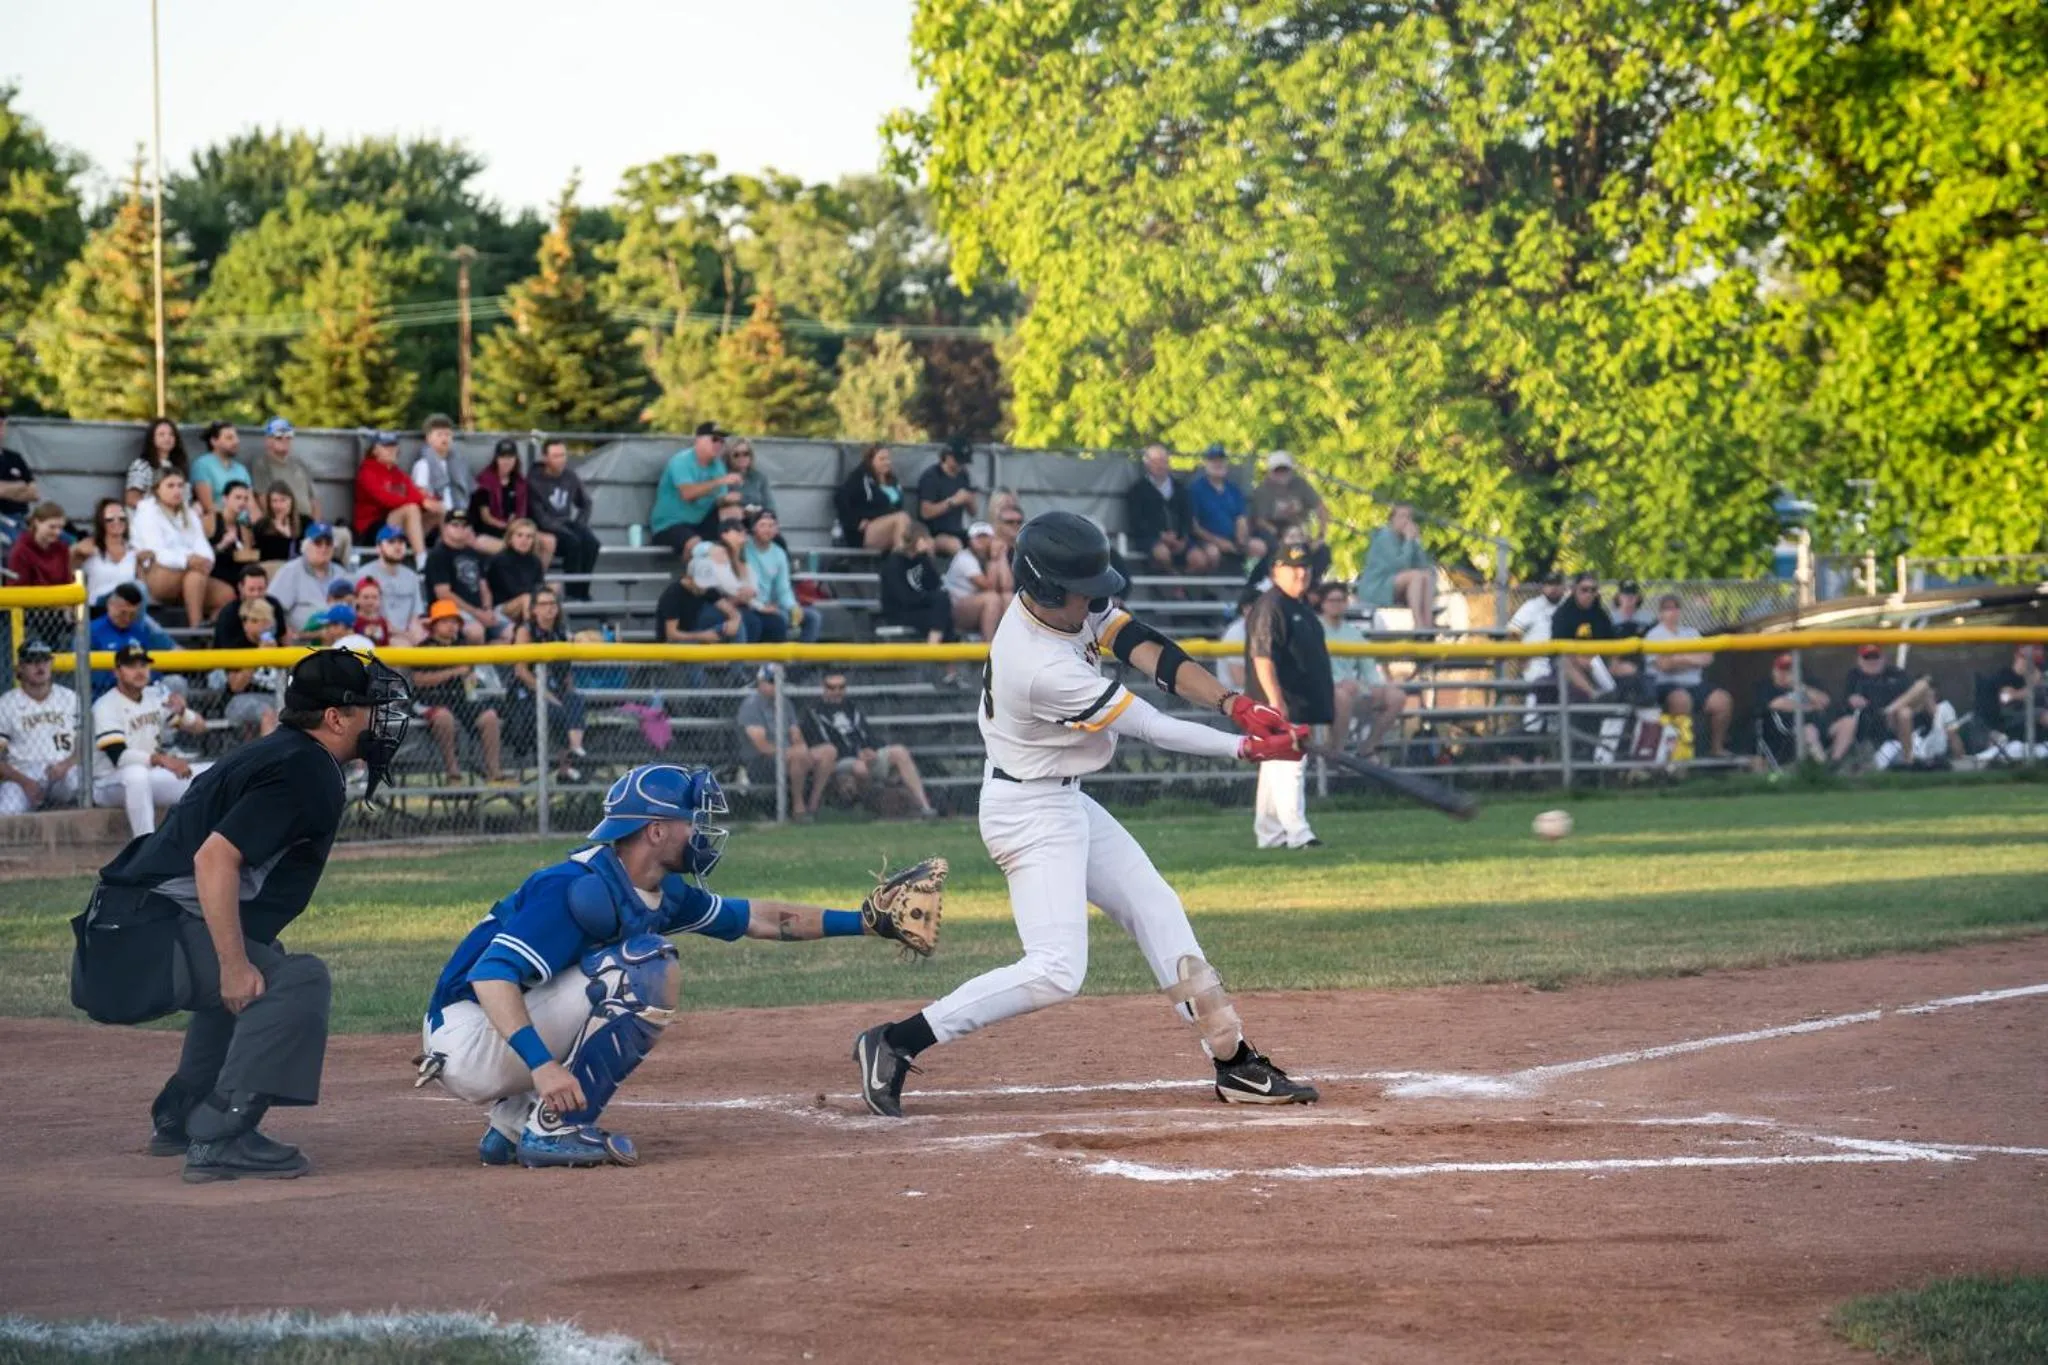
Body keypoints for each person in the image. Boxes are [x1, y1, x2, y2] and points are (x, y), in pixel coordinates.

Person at [851, 511, 1317, 1117]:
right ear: (1045, 590)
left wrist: (1235, 704)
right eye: (1084, 592)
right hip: (1027, 812)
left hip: (1063, 798)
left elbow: (1145, 646)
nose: (1096, 602)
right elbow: (1148, 724)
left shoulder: (1064, 607)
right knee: (1056, 971)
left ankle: (1234, 1063)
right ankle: (894, 1041)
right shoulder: (1039, 666)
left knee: (1158, 908)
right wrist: (1245, 747)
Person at [417, 762, 917, 1167]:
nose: (700, 831)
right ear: (656, 831)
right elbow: (490, 975)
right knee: (644, 968)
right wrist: (544, 1067)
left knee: (622, 967)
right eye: (689, 820)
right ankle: (555, 1128)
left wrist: (868, 922)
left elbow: (758, 918)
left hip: (488, 1034)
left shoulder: (654, 889)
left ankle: (509, 1125)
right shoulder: (575, 887)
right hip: (469, 1039)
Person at [75, 648, 410, 1182]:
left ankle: (182, 1113)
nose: (382, 719)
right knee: (296, 980)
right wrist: (231, 964)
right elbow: (215, 858)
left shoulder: (282, 752)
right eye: (371, 706)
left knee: (258, 962)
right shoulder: (306, 769)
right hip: (141, 938)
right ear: (335, 717)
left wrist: (240, 960)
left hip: (124, 930)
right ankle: (222, 1134)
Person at [1243, 544, 1332, 849]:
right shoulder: (1271, 605)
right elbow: (1262, 657)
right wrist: (1275, 701)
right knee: (1291, 764)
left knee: (1275, 766)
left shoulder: (1297, 605)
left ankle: (1269, 833)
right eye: (1293, 567)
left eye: (1305, 567)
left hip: (1293, 700)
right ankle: (1298, 833)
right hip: (1280, 702)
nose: (1301, 572)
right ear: (1275, 571)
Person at [91, 642, 211, 837]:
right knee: (136, 774)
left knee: (212, 772)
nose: (139, 671)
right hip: (109, 783)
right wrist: (163, 760)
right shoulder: (106, 705)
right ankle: (145, 847)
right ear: (117, 672)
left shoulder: (153, 696)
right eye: (131, 666)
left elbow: (200, 727)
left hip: (151, 776)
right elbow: (119, 757)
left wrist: (183, 711)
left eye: (143, 665)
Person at [797, 672, 938, 820]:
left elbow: (867, 734)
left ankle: (925, 806)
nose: (837, 692)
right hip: (839, 761)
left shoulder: (852, 708)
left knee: (900, 752)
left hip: (863, 756)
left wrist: (872, 750)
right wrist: (857, 753)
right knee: (860, 768)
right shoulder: (813, 712)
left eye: (841, 687)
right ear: (824, 688)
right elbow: (821, 744)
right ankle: (868, 808)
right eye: (832, 688)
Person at [412, 599, 511, 785]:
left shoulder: (463, 644)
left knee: (489, 716)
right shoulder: (423, 648)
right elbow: (419, 681)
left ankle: (494, 771)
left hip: (461, 699)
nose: (451, 626)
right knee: (444, 717)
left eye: (454, 621)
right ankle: (453, 773)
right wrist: (452, 672)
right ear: (434, 625)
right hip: (431, 700)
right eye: (445, 621)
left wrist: (470, 677)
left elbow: (470, 674)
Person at [132, 470, 233, 626]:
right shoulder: (147, 513)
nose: (177, 490)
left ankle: (211, 636)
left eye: (180, 486)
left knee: (227, 595)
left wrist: (205, 561)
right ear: (157, 489)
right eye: (170, 486)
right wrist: (188, 560)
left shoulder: (189, 513)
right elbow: (157, 552)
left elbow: (201, 544)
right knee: (195, 575)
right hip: (156, 573)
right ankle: (196, 627)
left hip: (190, 574)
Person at [507, 588, 586, 782]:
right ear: (534, 609)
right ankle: (565, 766)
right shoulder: (526, 631)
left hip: (556, 689)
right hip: (528, 693)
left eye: (553, 604)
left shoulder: (560, 633)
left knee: (575, 700)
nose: (550, 608)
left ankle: (575, 749)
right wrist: (548, 695)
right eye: (543, 604)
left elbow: (566, 672)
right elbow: (521, 672)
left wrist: (566, 693)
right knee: (558, 710)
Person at [1318, 582, 1404, 754]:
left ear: (1347, 603)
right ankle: (1336, 753)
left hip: (1352, 689)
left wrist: (1376, 685)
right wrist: (1337, 683)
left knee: (1397, 696)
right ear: (1323, 604)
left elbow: (1368, 667)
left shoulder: (1353, 633)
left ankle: (1368, 747)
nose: (1336, 604)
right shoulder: (1312, 629)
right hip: (1321, 691)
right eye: (1331, 600)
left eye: (1341, 600)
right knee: (1341, 696)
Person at [1642, 594, 1733, 757]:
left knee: (1722, 701)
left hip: (1695, 684)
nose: (1672, 612)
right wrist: (1691, 658)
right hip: (1666, 686)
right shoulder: (1654, 635)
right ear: (1660, 613)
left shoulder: (1691, 632)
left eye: (1676, 607)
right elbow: (1664, 666)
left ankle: (1716, 748)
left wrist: (1678, 658)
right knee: (1681, 699)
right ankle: (1679, 754)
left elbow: (1707, 658)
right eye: (1668, 608)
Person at [0, 641, 83, 814]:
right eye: (32, 661)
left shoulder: (70, 698)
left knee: (81, 782)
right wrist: (25, 782)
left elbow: (85, 744)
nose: (40, 666)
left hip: (63, 769)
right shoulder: (6, 704)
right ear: (20, 668)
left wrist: (67, 764)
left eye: (44, 660)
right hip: (23, 773)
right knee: (7, 809)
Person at [255, 417, 347, 560]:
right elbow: (263, 499)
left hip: (308, 521)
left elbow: (314, 499)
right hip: (288, 521)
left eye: (288, 437)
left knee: (344, 536)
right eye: (279, 437)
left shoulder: (299, 464)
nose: (285, 440)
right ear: (268, 440)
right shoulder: (262, 465)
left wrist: (316, 526)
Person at [1126, 443, 1215, 575]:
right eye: (1155, 461)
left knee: (1200, 560)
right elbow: (1136, 521)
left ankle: (1182, 583)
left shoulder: (1180, 489)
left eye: (1163, 461)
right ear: (1147, 464)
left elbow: (1187, 517)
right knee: (1162, 555)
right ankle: (1174, 582)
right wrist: (1161, 535)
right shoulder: (1137, 491)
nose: (1160, 465)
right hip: (1150, 538)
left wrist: (1182, 537)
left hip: (1179, 538)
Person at [735, 667, 815, 814]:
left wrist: (801, 748)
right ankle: (799, 807)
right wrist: (790, 752)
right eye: (772, 681)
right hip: (760, 762)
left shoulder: (785, 703)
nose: (776, 685)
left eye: (779, 681)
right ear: (760, 682)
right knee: (798, 757)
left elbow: (796, 734)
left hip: (789, 756)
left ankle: (814, 805)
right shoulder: (751, 705)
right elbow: (762, 746)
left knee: (827, 752)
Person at [877, 521, 955, 670]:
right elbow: (901, 597)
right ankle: (942, 663)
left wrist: (928, 557)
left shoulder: (922, 559)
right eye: (926, 539)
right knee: (941, 610)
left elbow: (934, 584)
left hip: (918, 607)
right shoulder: (894, 563)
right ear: (917, 540)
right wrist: (927, 599)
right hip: (899, 611)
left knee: (943, 606)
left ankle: (940, 657)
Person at [528, 438, 598, 600]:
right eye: (556, 456)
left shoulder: (570, 476)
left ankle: (583, 592)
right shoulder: (534, 480)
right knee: (573, 542)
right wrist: (566, 530)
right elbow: (539, 516)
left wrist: (580, 523)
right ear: (545, 458)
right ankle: (573, 593)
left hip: (566, 523)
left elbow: (586, 502)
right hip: (545, 527)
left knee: (592, 543)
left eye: (563, 455)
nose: (561, 460)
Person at [650, 421, 735, 554]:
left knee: (733, 519)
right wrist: (718, 481)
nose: (718, 444)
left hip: (699, 522)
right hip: (670, 524)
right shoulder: (681, 461)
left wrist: (729, 500)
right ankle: (687, 574)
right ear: (698, 440)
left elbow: (719, 501)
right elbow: (688, 494)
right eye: (714, 439)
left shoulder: (718, 466)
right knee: (694, 543)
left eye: (722, 441)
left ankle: (742, 567)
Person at [352, 430, 438, 561]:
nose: (392, 450)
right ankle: (422, 562)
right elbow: (386, 500)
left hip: (397, 524)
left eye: (394, 446)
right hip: (371, 529)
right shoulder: (366, 472)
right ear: (375, 450)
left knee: (439, 510)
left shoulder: (398, 473)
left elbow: (414, 493)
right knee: (411, 508)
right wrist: (422, 502)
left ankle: (446, 556)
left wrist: (429, 502)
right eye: (386, 446)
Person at [1546, 572, 1631, 703]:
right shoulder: (1563, 614)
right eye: (1584, 590)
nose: (1589, 594)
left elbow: (1613, 641)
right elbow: (1559, 648)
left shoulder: (1600, 614)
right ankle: (1595, 695)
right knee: (1564, 662)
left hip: (1598, 660)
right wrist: (1578, 658)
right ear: (1574, 590)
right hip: (1571, 660)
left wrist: (1614, 661)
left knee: (1628, 668)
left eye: (1593, 590)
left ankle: (1627, 702)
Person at [690, 509, 772, 643]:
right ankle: (739, 662)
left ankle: (768, 662)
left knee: (774, 621)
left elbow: (751, 590)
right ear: (725, 535)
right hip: (712, 606)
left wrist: (759, 605)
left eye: (744, 532)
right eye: (737, 531)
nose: (743, 535)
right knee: (751, 621)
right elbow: (697, 551)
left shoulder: (744, 562)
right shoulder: (713, 553)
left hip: (738, 604)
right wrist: (740, 595)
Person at [1827, 645, 1917, 764]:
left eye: (1875, 657)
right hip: (1870, 722)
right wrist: (1852, 700)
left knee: (1906, 710)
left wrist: (1891, 709)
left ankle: (1908, 760)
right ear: (1859, 660)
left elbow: (1912, 695)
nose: (1872, 661)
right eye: (1867, 657)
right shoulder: (1855, 677)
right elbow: (1845, 703)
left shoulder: (1895, 674)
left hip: (1895, 719)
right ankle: (1834, 764)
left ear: (1883, 658)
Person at [424, 509, 503, 644]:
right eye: (455, 525)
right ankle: (476, 664)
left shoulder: (474, 552)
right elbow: (443, 593)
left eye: (465, 525)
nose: (460, 529)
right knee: (475, 631)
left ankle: (488, 662)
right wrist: (477, 613)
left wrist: (487, 609)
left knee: (510, 631)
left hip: (479, 610)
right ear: (445, 527)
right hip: (450, 612)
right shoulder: (438, 555)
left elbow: (483, 586)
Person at [743, 508, 819, 644]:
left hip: (773, 604)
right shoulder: (743, 549)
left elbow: (783, 587)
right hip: (750, 605)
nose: (768, 530)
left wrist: (793, 606)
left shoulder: (779, 553)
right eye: (763, 525)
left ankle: (799, 662)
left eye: (772, 525)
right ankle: (777, 663)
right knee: (780, 619)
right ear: (754, 528)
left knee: (813, 617)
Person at [87, 583, 179, 695]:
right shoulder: (92, 631)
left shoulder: (141, 629)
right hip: (108, 692)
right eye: (123, 613)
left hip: (142, 689)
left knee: (176, 683)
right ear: (110, 605)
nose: (127, 619)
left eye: (132, 615)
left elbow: (152, 665)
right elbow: (90, 674)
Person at [1355, 503, 1435, 630]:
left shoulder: (1407, 538)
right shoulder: (1384, 537)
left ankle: (1428, 624)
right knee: (1416, 576)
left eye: (1409, 517)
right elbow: (1399, 566)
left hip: (1395, 585)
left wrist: (1416, 542)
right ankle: (1419, 625)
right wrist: (1409, 541)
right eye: (1402, 516)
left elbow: (1423, 565)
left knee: (1426, 575)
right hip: (1376, 587)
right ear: (1392, 519)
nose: (1406, 521)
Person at [1187, 444, 1264, 571]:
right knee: (1213, 553)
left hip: (1232, 539)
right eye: (1213, 460)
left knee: (1258, 547)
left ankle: (1249, 578)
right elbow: (1195, 527)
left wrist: (1242, 538)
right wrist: (1218, 542)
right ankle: (1211, 588)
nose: (1218, 464)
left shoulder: (1233, 489)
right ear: (1206, 464)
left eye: (1221, 460)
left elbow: (1241, 518)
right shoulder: (1196, 490)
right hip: (1206, 540)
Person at [219, 597, 284, 738]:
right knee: (267, 712)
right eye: (260, 621)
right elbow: (236, 686)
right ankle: (270, 758)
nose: (266, 626)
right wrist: (258, 657)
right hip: (240, 700)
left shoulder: (277, 645)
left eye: (268, 621)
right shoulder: (236, 647)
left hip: (274, 697)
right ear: (246, 624)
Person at [268, 523, 349, 635]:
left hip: (338, 642)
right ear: (306, 546)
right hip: (301, 643)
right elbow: (273, 609)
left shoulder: (341, 574)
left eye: (328, 543)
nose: (324, 548)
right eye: (318, 543)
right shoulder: (290, 571)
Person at [1754, 652, 1828, 767]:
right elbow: (1777, 704)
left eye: (1789, 670)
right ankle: (1823, 770)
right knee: (1809, 731)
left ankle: (1835, 763)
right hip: (1782, 731)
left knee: (1846, 724)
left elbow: (1824, 701)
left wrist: (1799, 686)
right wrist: (1811, 707)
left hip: (1817, 727)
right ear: (1774, 670)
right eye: (1781, 669)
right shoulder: (1767, 686)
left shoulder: (1805, 685)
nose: (1784, 673)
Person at [655, 550, 743, 645]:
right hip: (675, 642)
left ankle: (737, 659)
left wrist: (735, 620)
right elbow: (671, 635)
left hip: (694, 631)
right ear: (689, 578)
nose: (704, 588)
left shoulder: (705, 588)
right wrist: (703, 635)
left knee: (738, 626)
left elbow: (731, 611)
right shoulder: (672, 595)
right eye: (701, 583)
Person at [835, 444, 911, 552]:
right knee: (901, 518)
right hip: (867, 531)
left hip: (892, 527)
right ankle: (899, 564)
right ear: (871, 460)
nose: (887, 462)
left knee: (925, 539)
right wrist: (855, 522)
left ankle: (919, 566)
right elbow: (840, 499)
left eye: (888, 459)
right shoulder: (860, 477)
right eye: (882, 459)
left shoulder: (892, 480)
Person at [76, 498, 150, 609]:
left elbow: (143, 589)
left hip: (126, 611)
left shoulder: (132, 551)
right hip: (99, 607)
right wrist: (75, 551)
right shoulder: (90, 546)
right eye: (110, 519)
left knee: (139, 589)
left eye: (122, 518)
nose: (117, 522)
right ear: (101, 522)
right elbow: (67, 567)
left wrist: (148, 562)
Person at [471, 438, 539, 559]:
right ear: (496, 459)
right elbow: (486, 517)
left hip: (514, 530)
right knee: (516, 547)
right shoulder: (484, 481)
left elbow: (522, 514)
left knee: (542, 542)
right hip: (488, 531)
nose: (506, 461)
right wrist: (506, 526)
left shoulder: (520, 482)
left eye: (510, 457)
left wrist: (516, 525)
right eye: (502, 457)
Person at [1248, 451, 1327, 553]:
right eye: (1277, 470)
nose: (1281, 473)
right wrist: (1281, 535)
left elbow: (1320, 508)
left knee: (1322, 551)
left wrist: (1321, 535)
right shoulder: (1262, 491)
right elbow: (1260, 521)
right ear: (1270, 472)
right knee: (1276, 546)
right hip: (1273, 530)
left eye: (1285, 469)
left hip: (1298, 529)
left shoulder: (1300, 484)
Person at [359, 526, 427, 644]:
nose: (397, 546)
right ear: (378, 548)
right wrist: (407, 636)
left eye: (401, 542)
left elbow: (415, 616)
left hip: (406, 636)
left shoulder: (411, 576)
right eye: (391, 542)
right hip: (376, 635)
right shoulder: (364, 574)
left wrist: (418, 637)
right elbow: (364, 616)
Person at [915, 435, 978, 558]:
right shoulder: (931, 476)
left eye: (964, 462)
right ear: (948, 456)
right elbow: (925, 512)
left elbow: (973, 512)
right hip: (934, 533)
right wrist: (952, 502)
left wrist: (970, 500)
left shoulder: (963, 476)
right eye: (958, 460)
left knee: (984, 543)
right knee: (954, 545)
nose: (961, 465)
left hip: (957, 531)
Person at [943, 520, 1005, 642]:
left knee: (1007, 597)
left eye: (985, 537)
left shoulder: (992, 555)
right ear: (970, 541)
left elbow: (1007, 586)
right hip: (953, 610)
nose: (981, 541)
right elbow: (989, 586)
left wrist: (1001, 557)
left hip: (975, 606)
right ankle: (987, 647)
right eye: (977, 537)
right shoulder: (964, 558)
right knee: (992, 599)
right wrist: (993, 558)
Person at [410, 415, 474, 524]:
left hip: (460, 513)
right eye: (439, 435)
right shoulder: (423, 465)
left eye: (448, 434)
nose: (444, 438)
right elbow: (421, 493)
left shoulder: (458, 463)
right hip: (437, 516)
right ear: (428, 438)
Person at [211, 564, 288, 649]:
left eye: (260, 589)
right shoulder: (229, 613)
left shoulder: (273, 605)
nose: (256, 594)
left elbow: (282, 636)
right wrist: (251, 635)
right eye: (251, 589)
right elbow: (226, 650)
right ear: (241, 588)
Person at [202, 481, 261, 591]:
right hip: (213, 574)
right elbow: (199, 554)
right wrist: (223, 544)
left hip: (237, 576)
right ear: (225, 499)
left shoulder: (244, 529)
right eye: (237, 498)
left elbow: (247, 556)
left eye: (245, 499)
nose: (242, 502)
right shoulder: (210, 521)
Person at [486, 518, 548, 625]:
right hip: (502, 607)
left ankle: (561, 633)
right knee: (527, 598)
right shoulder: (500, 559)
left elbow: (539, 585)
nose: (524, 540)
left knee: (553, 592)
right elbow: (514, 590)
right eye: (519, 535)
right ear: (510, 538)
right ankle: (532, 632)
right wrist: (538, 595)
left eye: (529, 537)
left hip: (530, 601)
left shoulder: (535, 561)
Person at [188, 422, 252, 516]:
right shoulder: (202, 465)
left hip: (245, 525)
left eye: (236, 437)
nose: (236, 441)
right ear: (214, 441)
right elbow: (208, 507)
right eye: (229, 438)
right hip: (219, 523)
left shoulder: (241, 469)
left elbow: (252, 504)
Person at [5, 501, 72, 587]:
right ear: (37, 522)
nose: (57, 532)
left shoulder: (62, 549)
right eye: (52, 527)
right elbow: (17, 590)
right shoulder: (20, 551)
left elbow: (67, 582)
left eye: (60, 527)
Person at [125, 418, 188, 509]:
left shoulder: (179, 466)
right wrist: (157, 509)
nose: (167, 438)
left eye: (171, 434)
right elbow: (131, 498)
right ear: (152, 438)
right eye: (161, 434)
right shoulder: (141, 465)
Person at [0, 407, 37, 548]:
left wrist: (4, 489)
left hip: (21, 519)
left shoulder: (15, 458)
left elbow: (34, 493)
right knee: (20, 547)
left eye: (2, 425)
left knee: (65, 540)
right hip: (4, 522)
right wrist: (20, 486)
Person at [251, 484, 305, 571]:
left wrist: (288, 536)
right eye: (274, 501)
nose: (279, 505)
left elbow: (306, 552)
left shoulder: (305, 522)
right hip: (272, 570)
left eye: (283, 500)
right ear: (269, 504)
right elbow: (262, 556)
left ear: (291, 501)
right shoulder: (262, 525)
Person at [725, 437, 776, 517]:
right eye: (736, 455)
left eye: (746, 453)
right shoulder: (723, 477)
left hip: (757, 523)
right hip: (731, 523)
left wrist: (766, 514)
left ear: (751, 455)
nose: (741, 458)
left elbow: (769, 505)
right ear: (729, 457)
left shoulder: (759, 478)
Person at [351, 578, 394, 648]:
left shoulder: (383, 622)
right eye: (366, 597)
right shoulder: (352, 620)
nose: (370, 601)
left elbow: (386, 645)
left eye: (374, 597)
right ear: (356, 599)